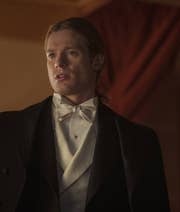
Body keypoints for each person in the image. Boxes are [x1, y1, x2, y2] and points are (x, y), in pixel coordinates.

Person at [0, 17, 170, 212]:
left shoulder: (139, 140)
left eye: (71, 53)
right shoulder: (8, 128)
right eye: (51, 55)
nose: (59, 63)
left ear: (97, 60)